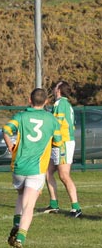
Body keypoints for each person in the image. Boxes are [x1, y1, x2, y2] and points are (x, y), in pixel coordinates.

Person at [3, 88, 62, 248]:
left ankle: (16, 223)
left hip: (19, 166)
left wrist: (10, 145)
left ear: (29, 100)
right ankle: (20, 238)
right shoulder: (51, 120)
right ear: (46, 102)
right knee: (30, 205)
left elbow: (6, 129)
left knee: (21, 195)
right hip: (37, 168)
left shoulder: (20, 117)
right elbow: (58, 142)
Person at [43, 80, 82, 217]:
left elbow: (56, 124)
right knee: (47, 172)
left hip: (63, 142)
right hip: (59, 142)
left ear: (59, 90)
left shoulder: (60, 103)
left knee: (64, 175)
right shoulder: (64, 104)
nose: (53, 89)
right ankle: (54, 204)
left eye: (55, 87)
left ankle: (76, 207)